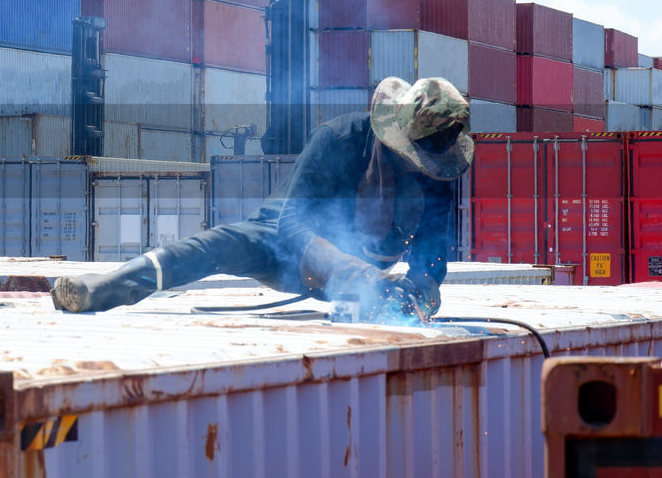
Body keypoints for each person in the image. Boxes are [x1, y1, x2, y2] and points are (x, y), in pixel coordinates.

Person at [51, 76, 474, 321]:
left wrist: (420, 293)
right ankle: (109, 287)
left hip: (364, 281)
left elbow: (433, 254)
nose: (416, 168)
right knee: (221, 245)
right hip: (286, 247)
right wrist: (359, 275)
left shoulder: (437, 166)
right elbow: (292, 225)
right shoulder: (340, 140)